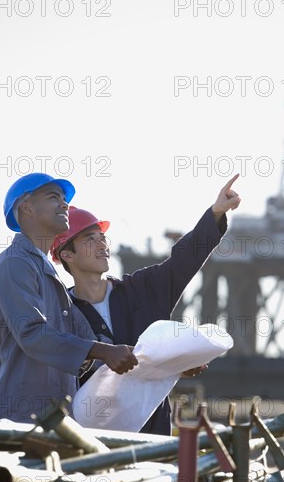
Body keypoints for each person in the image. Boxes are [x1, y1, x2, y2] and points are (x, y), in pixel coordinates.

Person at [50, 174, 241, 435]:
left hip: (150, 439)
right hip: (89, 442)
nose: (102, 244)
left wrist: (216, 213)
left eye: (102, 236)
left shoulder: (141, 290)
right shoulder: (61, 312)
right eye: (89, 239)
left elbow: (182, 262)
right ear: (67, 254)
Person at [0, 173, 138, 423]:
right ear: (26, 208)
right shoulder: (15, 264)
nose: (65, 204)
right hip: (18, 420)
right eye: (53, 197)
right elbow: (32, 333)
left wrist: (166, 365)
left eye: (64, 199)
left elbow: (93, 344)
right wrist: (103, 351)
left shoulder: (47, 273)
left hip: (56, 420)